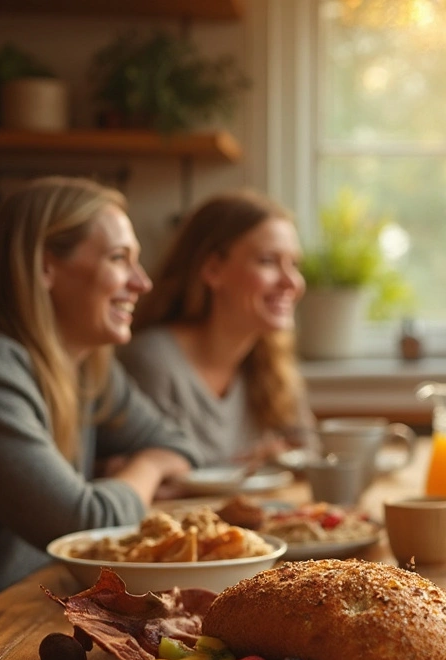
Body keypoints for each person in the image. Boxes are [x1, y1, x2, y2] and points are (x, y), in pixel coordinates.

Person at [0, 176, 197, 660]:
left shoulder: (87, 368)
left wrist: (134, 469)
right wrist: (149, 468)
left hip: (24, 621)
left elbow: (179, 442)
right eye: (119, 258)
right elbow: (83, 523)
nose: (143, 282)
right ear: (46, 266)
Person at [118, 191, 313, 469]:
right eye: (268, 261)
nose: (291, 282)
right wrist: (251, 467)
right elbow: (154, 479)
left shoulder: (271, 361)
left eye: (294, 264)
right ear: (212, 270)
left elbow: (309, 453)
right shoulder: (152, 362)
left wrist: (275, 458)